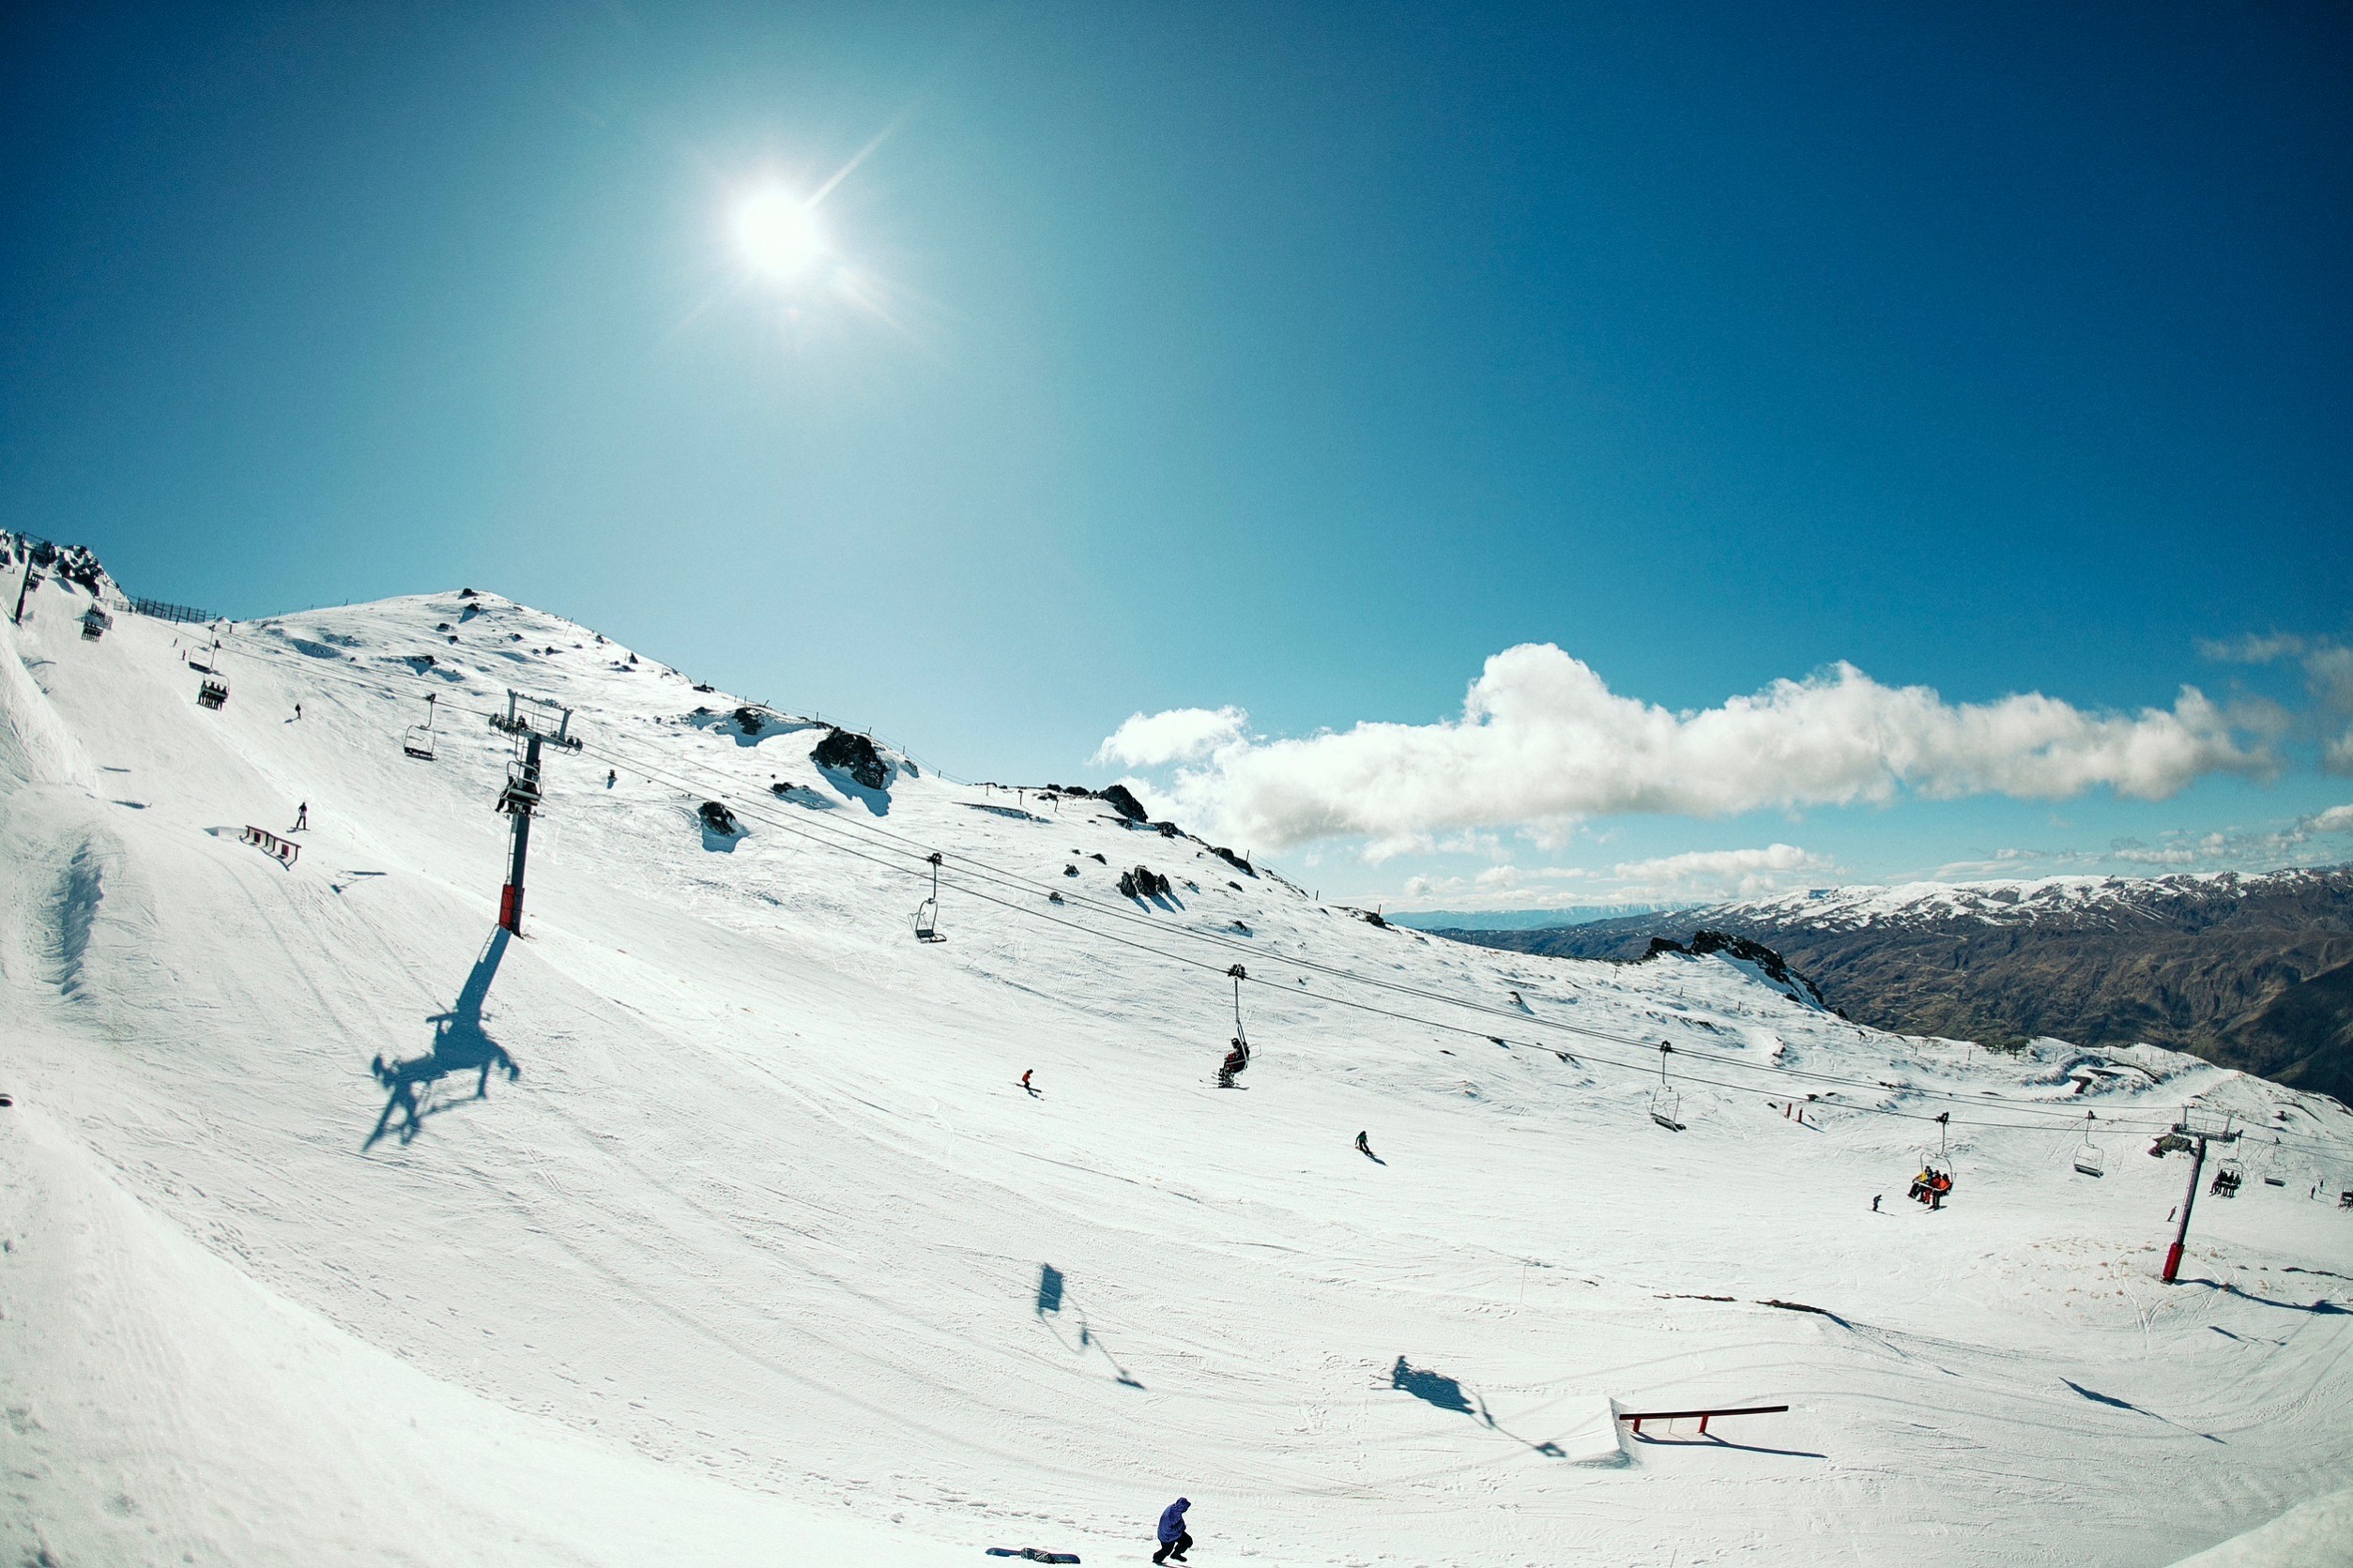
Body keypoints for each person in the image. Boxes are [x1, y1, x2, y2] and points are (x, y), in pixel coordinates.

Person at [1152, 1498, 1191, 1564]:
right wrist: (1180, 1526)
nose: (1186, 1510)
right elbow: (1167, 1530)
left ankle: (1176, 1555)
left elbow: (1178, 1521)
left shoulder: (1176, 1510)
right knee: (1166, 1551)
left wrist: (1181, 1526)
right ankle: (1156, 1559)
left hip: (1176, 1534)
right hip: (1166, 1537)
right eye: (1186, 1508)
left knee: (1188, 1541)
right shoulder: (1169, 1516)